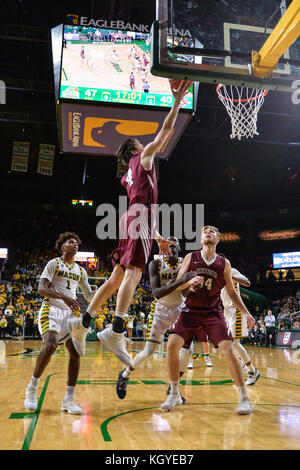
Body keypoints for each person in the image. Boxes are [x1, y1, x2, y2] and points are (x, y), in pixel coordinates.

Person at [67, 80, 192, 366]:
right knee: (134, 274)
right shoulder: (144, 156)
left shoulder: (128, 175)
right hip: (139, 218)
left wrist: (157, 237)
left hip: (133, 218)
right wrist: (176, 102)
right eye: (139, 142)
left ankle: (83, 323)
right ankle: (117, 328)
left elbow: (140, 204)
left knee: (116, 277)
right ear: (135, 148)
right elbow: (166, 132)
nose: (143, 142)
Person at [161, 225, 255, 415]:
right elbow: (177, 285)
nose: (208, 233)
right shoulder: (191, 257)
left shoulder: (224, 263)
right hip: (190, 310)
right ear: (201, 238)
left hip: (213, 311)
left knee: (229, 348)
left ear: (218, 239)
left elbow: (230, 292)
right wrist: (189, 283)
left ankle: (244, 397)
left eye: (212, 231)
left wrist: (246, 312)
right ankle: (174, 394)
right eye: (205, 231)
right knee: (171, 345)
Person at [114, 237, 196, 400]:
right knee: (149, 351)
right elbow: (157, 293)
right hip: (160, 310)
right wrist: (181, 281)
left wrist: (191, 288)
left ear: (179, 248)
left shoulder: (184, 263)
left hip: (179, 308)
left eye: (174, 245)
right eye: (169, 245)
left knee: (188, 350)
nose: (171, 248)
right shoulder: (155, 264)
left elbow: (183, 292)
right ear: (163, 248)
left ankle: (174, 387)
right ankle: (125, 375)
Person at [24, 232, 94, 414]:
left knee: (76, 352)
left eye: (77, 242)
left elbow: (88, 295)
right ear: (63, 247)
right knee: (51, 345)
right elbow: (41, 288)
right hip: (52, 309)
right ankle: (32, 388)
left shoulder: (81, 270)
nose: (75, 244)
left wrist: (105, 296)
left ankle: (68, 400)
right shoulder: (54, 263)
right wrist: (63, 297)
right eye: (71, 242)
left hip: (70, 314)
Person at [220, 259, 260, 386]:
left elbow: (247, 283)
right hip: (226, 311)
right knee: (228, 345)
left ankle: (252, 371)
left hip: (236, 310)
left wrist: (231, 276)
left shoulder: (232, 271)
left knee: (232, 344)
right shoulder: (215, 275)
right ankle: (244, 368)